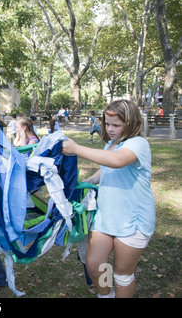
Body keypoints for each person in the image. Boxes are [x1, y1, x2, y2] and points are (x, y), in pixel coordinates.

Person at [62, 99, 155, 298]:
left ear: (130, 124)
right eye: (107, 124)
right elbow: (106, 170)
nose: (110, 129)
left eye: (116, 125)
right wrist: (87, 181)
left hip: (134, 220)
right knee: (95, 265)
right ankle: (107, 294)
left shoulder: (138, 144)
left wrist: (77, 149)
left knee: (122, 274)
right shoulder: (112, 144)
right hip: (106, 216)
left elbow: (117, 161)